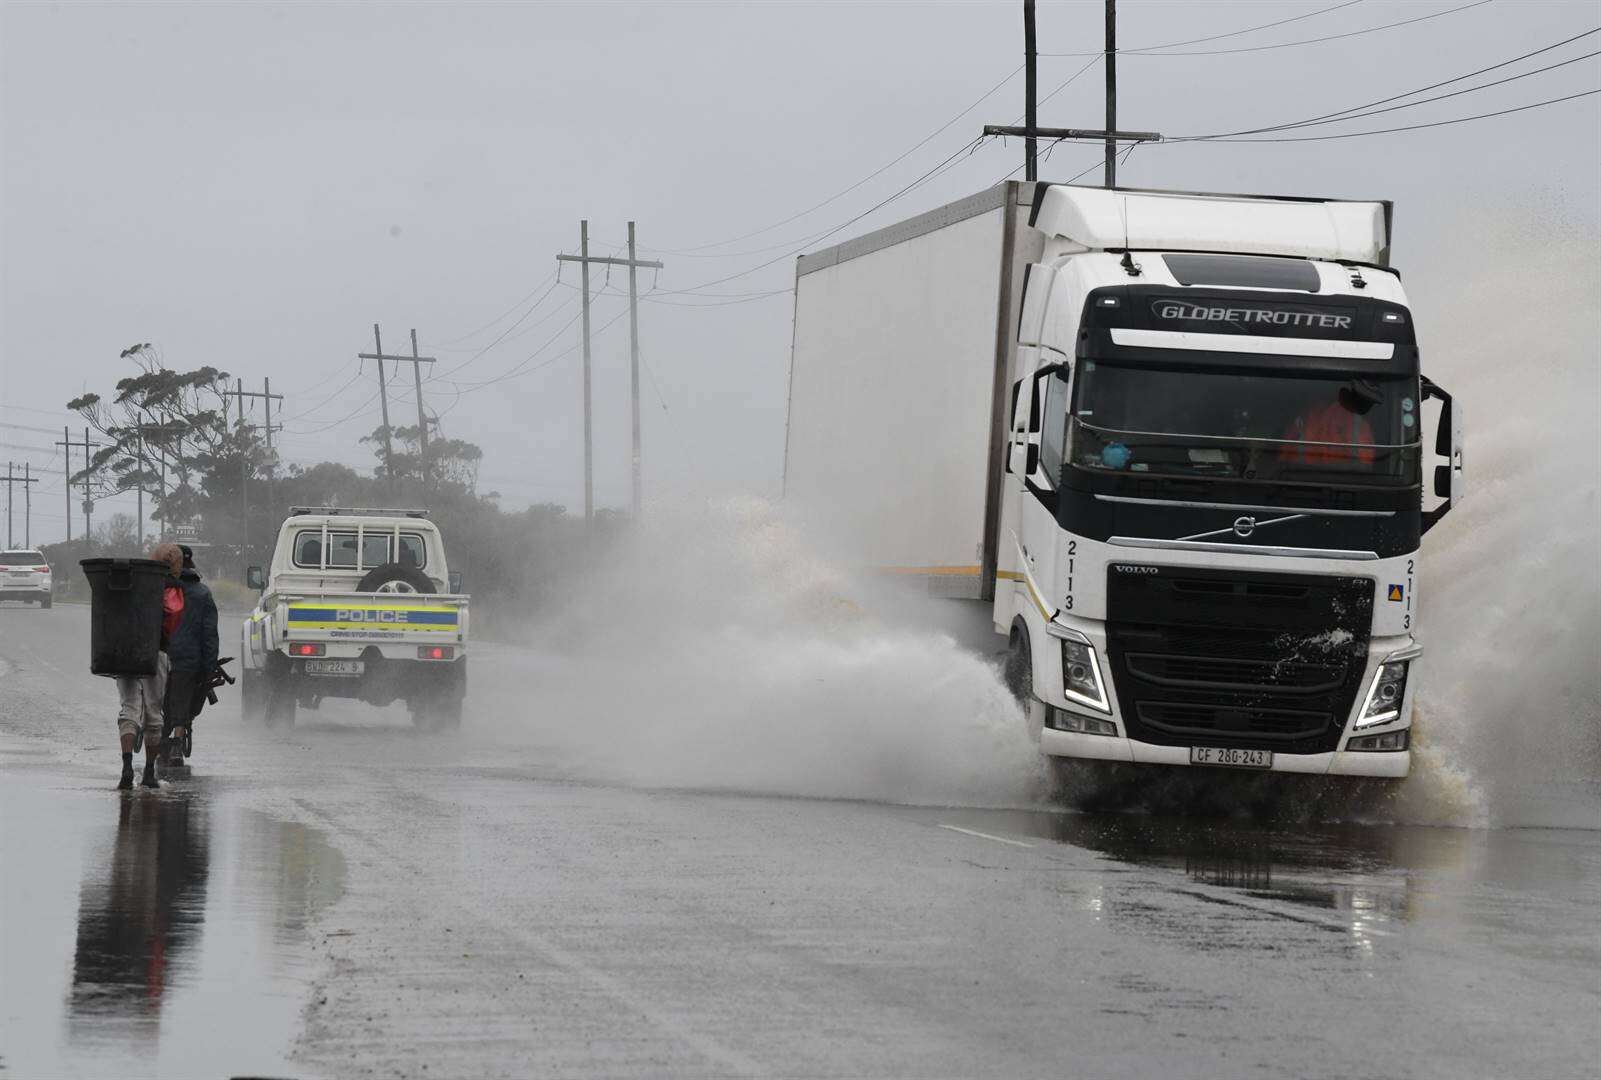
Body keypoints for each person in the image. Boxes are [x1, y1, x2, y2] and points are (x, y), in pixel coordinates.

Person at [116, 543, 184, 789]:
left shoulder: (130, 581)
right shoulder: (171, 589)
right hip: (154, 651)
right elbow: (172, 620)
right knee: (154, 713)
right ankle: (148, 773)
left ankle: (125, 768)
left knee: (129, 708)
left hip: (123, 651)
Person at [161, 545, 218, 771]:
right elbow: (209, 634)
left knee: (160, 700)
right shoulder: (202, 593)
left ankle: (159, 739)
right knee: (182, 701)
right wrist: (209, 666)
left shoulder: (158, 590)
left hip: (159, 656)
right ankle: (176, 743)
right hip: (188, 659)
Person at [1280, 382, 1379, 466]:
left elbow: (1282, 461)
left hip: (1299, 483)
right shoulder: (1358, 423)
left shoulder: (1303, 418)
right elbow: (1366, 466)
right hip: (1347, 484)